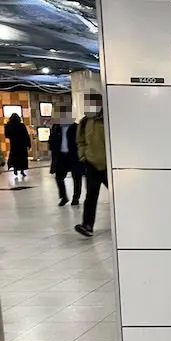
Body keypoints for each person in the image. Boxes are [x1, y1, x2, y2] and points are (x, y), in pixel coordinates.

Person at [74, 92, 106, 237]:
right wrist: (83, 156)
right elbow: (80, 141)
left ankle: (131, 221)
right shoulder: (85, 122)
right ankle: (87, 225)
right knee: (91, 196)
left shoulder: (108, 119)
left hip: (109, 165)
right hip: (92, 164)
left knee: (120, 195)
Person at [49, 105, 83, 206]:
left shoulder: (76, 127)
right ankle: (64, 197)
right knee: (59, 177)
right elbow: (53, 141)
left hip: (74, 156)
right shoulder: (56, 127)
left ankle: (76, 198)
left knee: (77, 177)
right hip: (61, 156)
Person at [3, 113, 31, 178]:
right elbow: (26, 135)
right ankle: (22, 170)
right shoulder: (21, 125)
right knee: (22, 158)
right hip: (22, 145)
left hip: (14, 144)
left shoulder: (8, 125)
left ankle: (15, 169)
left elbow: (6, 135)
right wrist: (28, 144)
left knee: (15, 157)